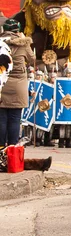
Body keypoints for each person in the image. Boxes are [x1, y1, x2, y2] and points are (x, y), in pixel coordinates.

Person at [0, 19, 35, 147]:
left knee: (2, 118)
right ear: (18, 31)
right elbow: (32, 59)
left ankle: (0, 148)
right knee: (15, 118)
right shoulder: (24, 44)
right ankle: (12, 148)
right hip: (18, 85)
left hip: (2, 83)